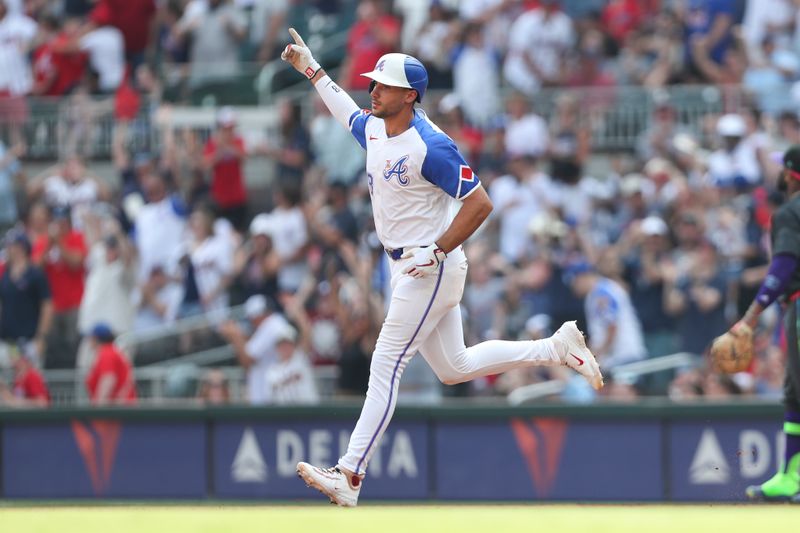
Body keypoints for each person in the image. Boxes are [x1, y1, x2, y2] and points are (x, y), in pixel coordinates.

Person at [281, 27, 603, 507]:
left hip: (431, 265)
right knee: (454, 367)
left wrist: (435, 250)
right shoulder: (374, 125)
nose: (372, 90)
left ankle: (349, 474)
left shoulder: (431, 144)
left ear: (409, 95)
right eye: (372, 83)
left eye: (383, 85)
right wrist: (311, 68)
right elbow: (345, 111)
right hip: (406, 264)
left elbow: (480, 203)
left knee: (386, 364)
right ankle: (554, 348)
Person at [744, 146, 800, 502]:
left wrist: (751, 316)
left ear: (790, 175)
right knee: (795, 394)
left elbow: (783, 267)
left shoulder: (790, 212)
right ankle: (791, 476)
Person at [218, 294, 290, 405]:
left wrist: (235, 336)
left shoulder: (272, 324)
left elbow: (247, 360)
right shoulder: (274, 324)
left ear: (260, 314)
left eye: (253, 318)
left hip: (272, 397)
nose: (252, 322)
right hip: (269, 396)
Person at [84, 322, 137, 405]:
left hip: (116, 411)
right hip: (121, 408)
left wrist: (98, 406)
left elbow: (108, 379)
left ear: (96, 338)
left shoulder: (107, 353)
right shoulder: (112, 351)